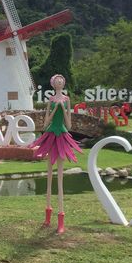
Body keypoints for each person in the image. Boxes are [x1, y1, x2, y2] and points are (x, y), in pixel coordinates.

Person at [29, 74, 82, 233]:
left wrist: (63, 109)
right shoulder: (51, 100)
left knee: (59, 177)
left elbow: (69, 123)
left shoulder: (66, 99)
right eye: (56, 81)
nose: (59, 82)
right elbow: (45, 123)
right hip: (51, 134)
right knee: (50, 175)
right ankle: (47, 214)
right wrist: (54, 110)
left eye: (61, 80)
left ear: (63, 83)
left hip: (62, 135)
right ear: (53, 84)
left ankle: (61, 219)